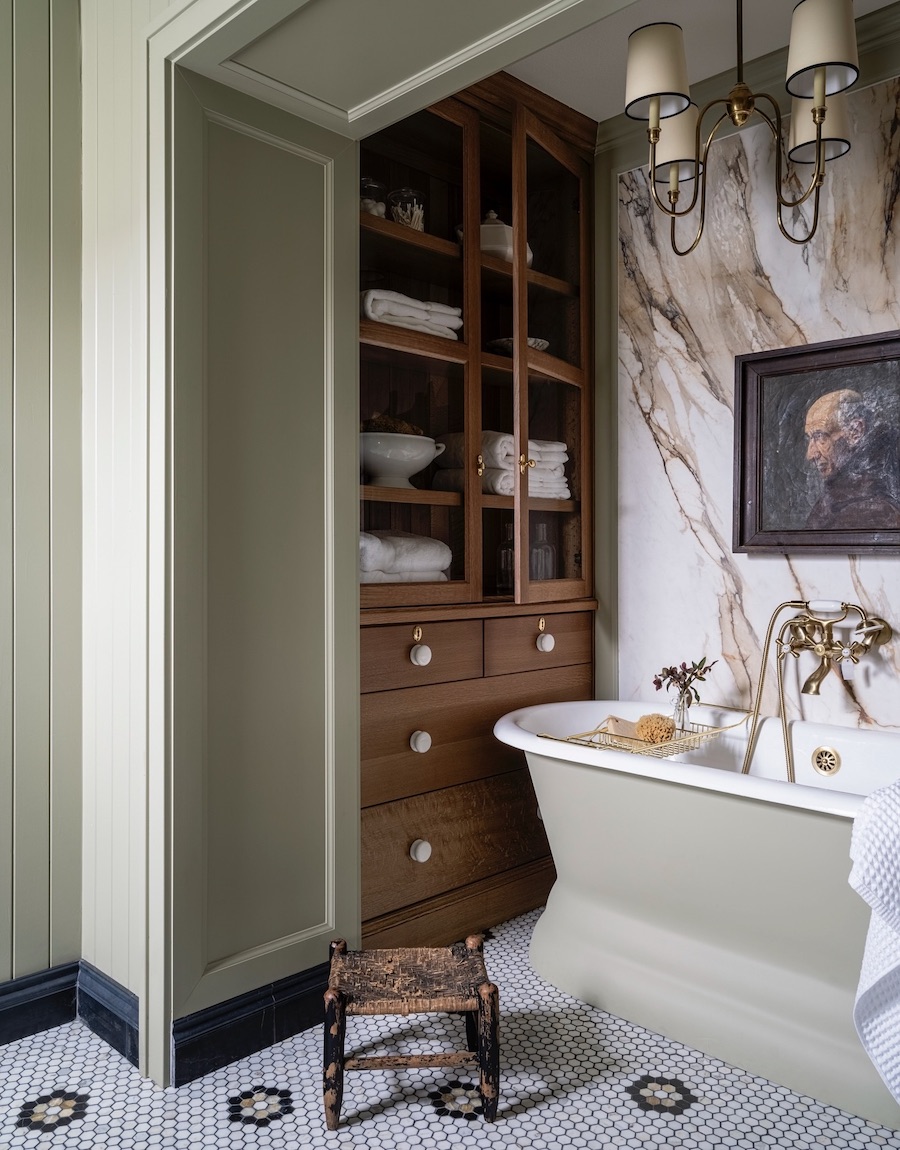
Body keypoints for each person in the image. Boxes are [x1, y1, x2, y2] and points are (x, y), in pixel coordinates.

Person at [804, 387, 900, 529]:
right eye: (810, 439)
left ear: (855, 431)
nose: (811, 454)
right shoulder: (838, 497)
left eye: (820, 437)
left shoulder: (875, 509)